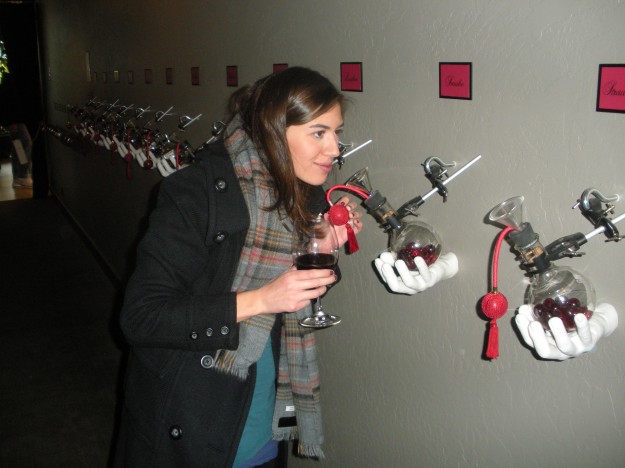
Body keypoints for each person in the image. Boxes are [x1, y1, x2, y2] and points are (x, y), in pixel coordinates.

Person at [113, 67, 363, 468]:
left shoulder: (304, 193)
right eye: (319, 133)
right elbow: (141, 317)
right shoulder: (194, 193)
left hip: (264, 403)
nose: (335, 148)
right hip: (194, 411)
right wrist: (262, 299)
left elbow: (297, 290)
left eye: (337, 132)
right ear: (273, 131)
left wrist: (322, 243)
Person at [8, 122, 33, 188]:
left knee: (18, 144)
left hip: (16, 118)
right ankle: (22, 177)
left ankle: (19, 177)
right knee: (22, 143)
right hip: (16, 119)